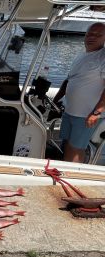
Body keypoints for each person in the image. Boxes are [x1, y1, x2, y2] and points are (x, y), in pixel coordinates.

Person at [53, 22, 105, 163]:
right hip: (70, 111)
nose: (92, 37)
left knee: (76, 148)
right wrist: (55, 99)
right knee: (67, 145)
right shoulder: (81, 56)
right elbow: (68, 81)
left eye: (98, 35)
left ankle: (71, 178)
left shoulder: (103, 57)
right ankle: (63, 171)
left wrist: (97, 112)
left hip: (86, 115)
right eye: (89, 34)